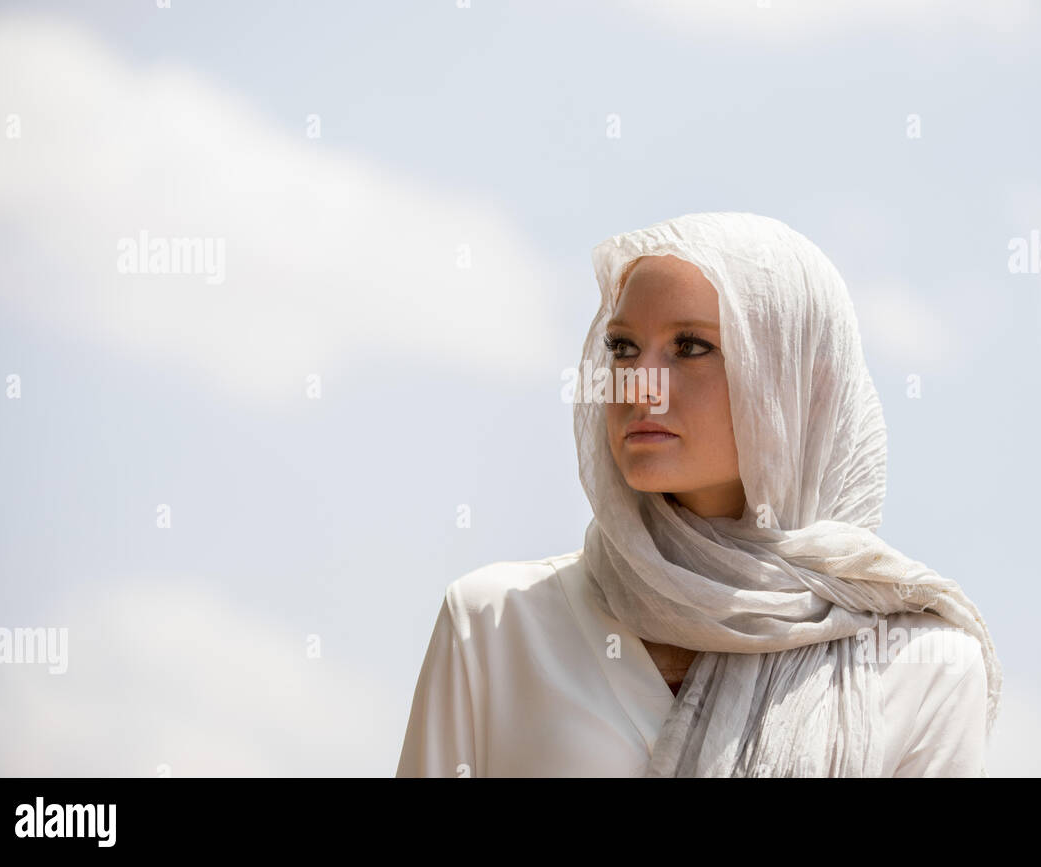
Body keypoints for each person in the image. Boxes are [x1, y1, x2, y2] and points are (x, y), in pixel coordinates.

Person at [396, 212, 1002, 777]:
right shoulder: (495, 623)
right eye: (622, 347)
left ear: (798, 384)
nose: (641, 385)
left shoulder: (923, 666)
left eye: (690, 347)